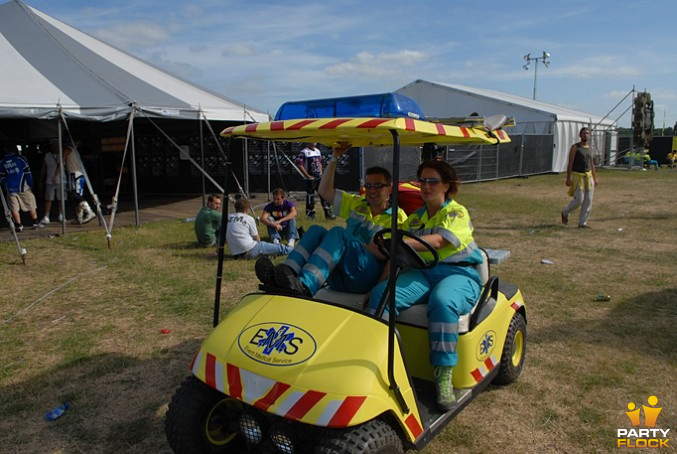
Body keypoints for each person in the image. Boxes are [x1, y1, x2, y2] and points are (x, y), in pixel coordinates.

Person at [366, 159, 484, 411]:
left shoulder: (456, 212)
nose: (426, 186)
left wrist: (401, 242)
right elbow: (396, 253)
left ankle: (443, 375)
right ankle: (379, 362)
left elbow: (440, 241)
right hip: (424, 273)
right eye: (423, 181)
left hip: (459, 274)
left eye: (433, 181)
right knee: (381, 296)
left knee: (443, 302)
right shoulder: (416, 218)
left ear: (446, 186)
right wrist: (379, 283)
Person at [255, 142, 407, 297]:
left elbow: (390, 255)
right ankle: (286, 274)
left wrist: (353, 245)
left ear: (389, 189)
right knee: (316, 230)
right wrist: (334, 158)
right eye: (368, 186)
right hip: (341, 270)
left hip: (365, 276)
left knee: (338, 234)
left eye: (378, 186)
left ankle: (306, 285)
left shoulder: (398, 217)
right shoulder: (357, 203)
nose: (372, 190)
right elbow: (324, 191)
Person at [226, 198, 292, 259]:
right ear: (246, 209)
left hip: (235, 253)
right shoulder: (248, 218)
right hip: (250, 249)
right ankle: (294, 250)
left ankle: (268, 254)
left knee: (265, 249)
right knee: (280, 248)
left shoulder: (228, 218)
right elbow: (257, 238)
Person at [561, 127, 597, 228]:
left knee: (588, 200)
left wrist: (594, 178)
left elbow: (592, 164)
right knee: (579, 200)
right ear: (580, 135)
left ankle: (582, 223)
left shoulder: (590, 148)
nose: (586, 135)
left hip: (588, 176)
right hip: (578, 176)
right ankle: (565, 211)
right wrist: (568, 178)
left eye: (587, 133)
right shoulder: (575, 147)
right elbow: (570, 163)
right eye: (584, 133)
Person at [0, 145, 42, 231]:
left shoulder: (2, 161)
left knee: (14, 207)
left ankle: (18, 225)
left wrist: (6, 185)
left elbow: (1, 176)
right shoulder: (20, 159)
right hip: (23, 187)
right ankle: (35, 222)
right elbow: (27, 172)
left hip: (11, 188)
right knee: (31, 204)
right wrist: (31, 183)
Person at [295, 142, 334, 220]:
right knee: (310, 195)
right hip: (310, 178)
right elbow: (299, 163)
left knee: (323, 194)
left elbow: (319, 162)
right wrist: (307, 176)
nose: (314, 142)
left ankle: (328, 212)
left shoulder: (317, 151)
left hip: (318, 177)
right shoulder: (304, 152)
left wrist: (321, 172)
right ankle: (310, 213)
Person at [61, 144, 96, 224]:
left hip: (75, 174)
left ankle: (89, 210)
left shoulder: (68, 149)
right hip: (76, 174)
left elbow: (62, 160)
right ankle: (79, 217)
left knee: (75, 195)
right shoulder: (75, 151)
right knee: (76, 198)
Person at [39, 139, 66, 225]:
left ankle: (61, 215)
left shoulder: (63, 155)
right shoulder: (47, 156)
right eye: (53, 145)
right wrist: (41, 180)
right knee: (48, 199)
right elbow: (43, 169)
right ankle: (47, 216)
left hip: (61, 179)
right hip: (49, 180)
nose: (55, 147)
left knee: (61, 199)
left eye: (57, 145)